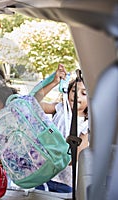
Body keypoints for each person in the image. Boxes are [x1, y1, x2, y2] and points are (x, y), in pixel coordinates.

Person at [34, 64, 89, 192]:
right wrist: (54, 82)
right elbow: (34, 101)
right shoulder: (59, 108)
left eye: (84, 93)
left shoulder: (87, 125)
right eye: (74, 91)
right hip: (45, 178)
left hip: (67, 184)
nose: (77, 96)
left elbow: (73, 158)